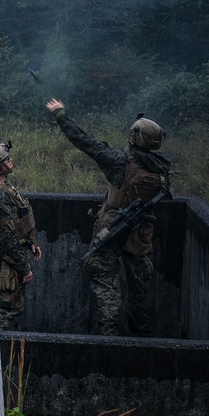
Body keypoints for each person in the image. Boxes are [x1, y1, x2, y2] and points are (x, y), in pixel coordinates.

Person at [46, 98, 171, 337]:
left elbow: (83, 141)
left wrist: (60, 114)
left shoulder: (120, 162)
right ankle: (142, 342)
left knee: (107, 292)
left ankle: (109, 342)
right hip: (140, 237)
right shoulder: (161, 169)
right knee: (140, 293)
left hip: (111, 233)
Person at [0, 140, 43, 330]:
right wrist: (24, 268)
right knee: (7, 314)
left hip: (12, 259)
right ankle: (1, 348)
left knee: (13, 311)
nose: (10, 161)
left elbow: (20, 217)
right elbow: (5, 239)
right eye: (5, 160)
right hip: (5, 264)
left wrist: (32, 241)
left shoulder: (5, 188)